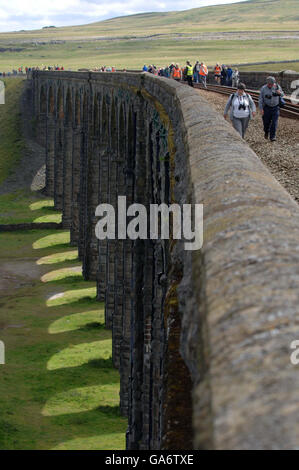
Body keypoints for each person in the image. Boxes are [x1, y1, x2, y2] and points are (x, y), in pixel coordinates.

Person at [259, 76, 284, 142]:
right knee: (266, 122)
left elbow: (282, 94)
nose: (270, 85)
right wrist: (261, 109)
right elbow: (260, 99)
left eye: (272, 84)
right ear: (267, 83)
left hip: (275, 107)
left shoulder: (277, 87)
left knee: (274, 122)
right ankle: (266, 131)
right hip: (266, 107)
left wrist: (279, 93)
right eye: (269, 84)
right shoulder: (263, 88)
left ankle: (272, 136)